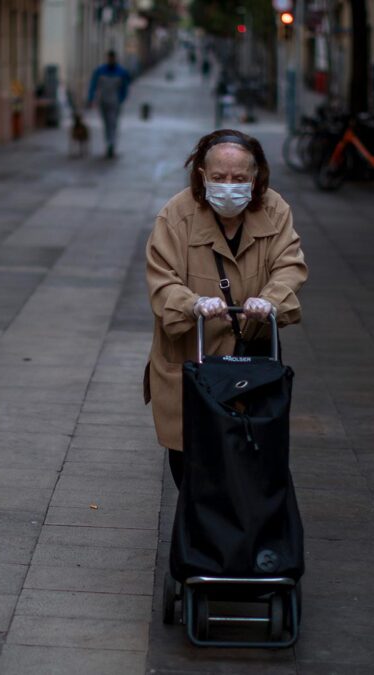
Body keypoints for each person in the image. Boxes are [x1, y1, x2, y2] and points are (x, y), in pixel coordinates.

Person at [144, 129, 308, 488]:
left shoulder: (275, 209)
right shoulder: (176, 215)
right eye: (219, 178)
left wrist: (271, 298)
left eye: (239, 178)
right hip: (193, 358)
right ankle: (199, 539)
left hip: (251, 358)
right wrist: (193, 303)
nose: (228, 185)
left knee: (250, 466)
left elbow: (289, 263)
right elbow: (162, 278)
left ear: (256, 177)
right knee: (191, 466)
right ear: (202, 175)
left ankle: (239, 538)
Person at [86, 50, 131, 158]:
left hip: (115, 102)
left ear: (115, 58)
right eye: (110, 58)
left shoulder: (122, 72)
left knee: (113, 123)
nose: (111, 60)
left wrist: (121, 99)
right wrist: (91, 98)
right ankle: (108, 143)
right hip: (103, 101)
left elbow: (125, 87)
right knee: (106, 123)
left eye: (113, 58)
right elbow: (93, 85)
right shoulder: (100, 71)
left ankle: (111, 144)